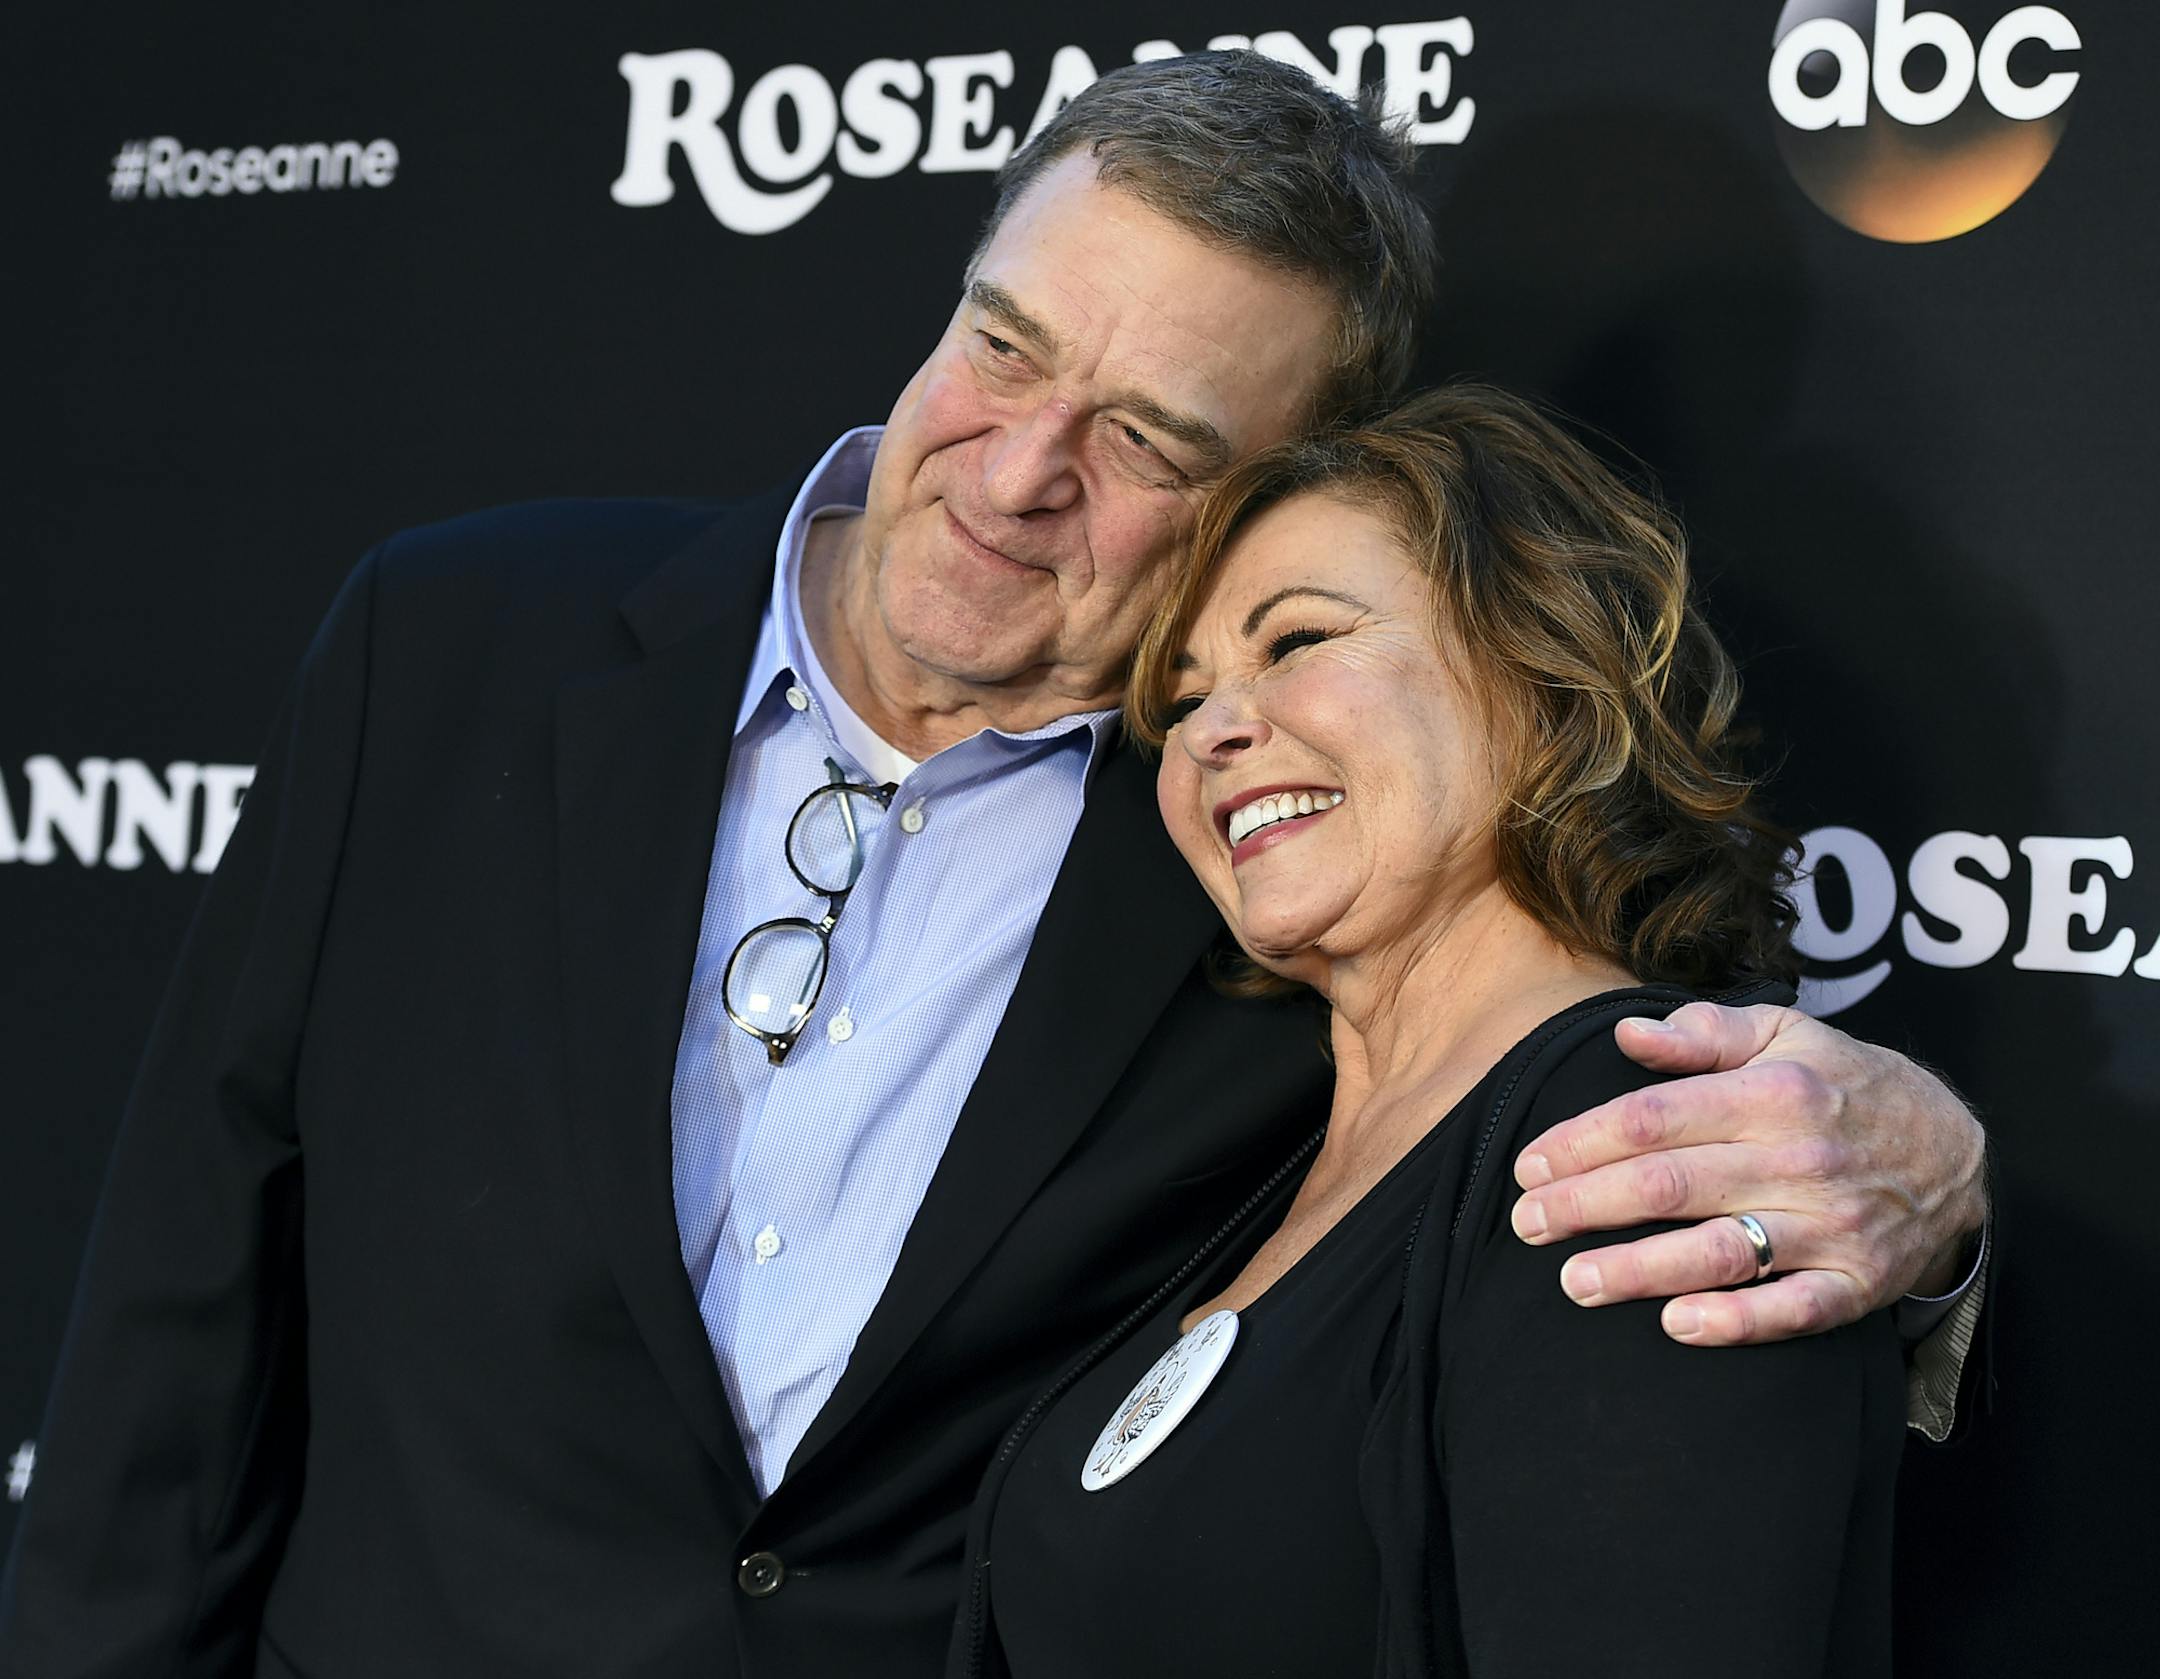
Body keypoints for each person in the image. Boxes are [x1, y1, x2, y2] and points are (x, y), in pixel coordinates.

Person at [0, 53, 1982, 1679]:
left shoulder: (1271, 854)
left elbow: (1585, 1098)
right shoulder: (451, 646)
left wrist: (1937, 1179)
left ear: (1279, 491)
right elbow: (180, 1312)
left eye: (1151, 443)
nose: (1019, 467)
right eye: (1004, 344)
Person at [954, 385, 1903, 1679]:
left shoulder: (1648, 1157)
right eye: (1179, 698)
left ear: (1541, 667)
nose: (1214, 731)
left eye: (1294, 641)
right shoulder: (1289, 1171)